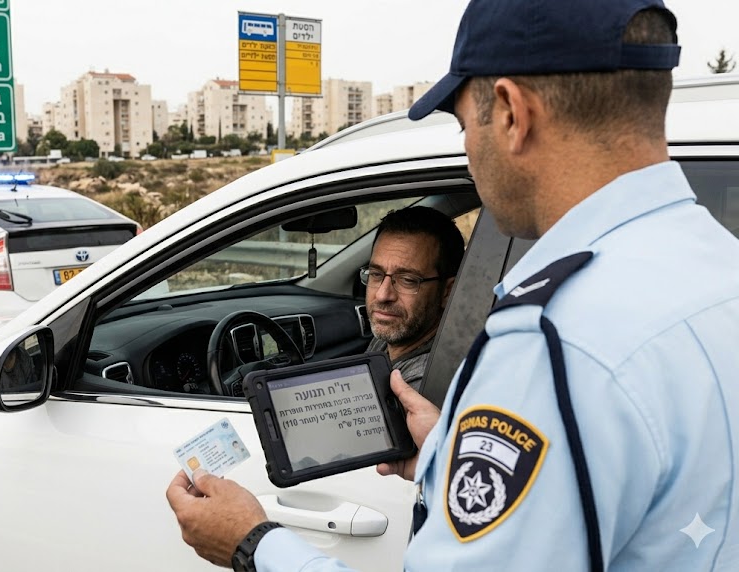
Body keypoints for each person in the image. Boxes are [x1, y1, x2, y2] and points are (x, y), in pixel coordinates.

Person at [166, 1, 739, 570]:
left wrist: (253, 543)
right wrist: (446, 452)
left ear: (512, 113)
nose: (467, 152)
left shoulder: (551, 344)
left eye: (465, 125)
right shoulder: (719, 265)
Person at [362, 207, 464, 392]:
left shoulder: (427, 382)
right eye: (376, 274)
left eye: (407, 280)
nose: (383, 295)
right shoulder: (394, 336)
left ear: (448, 291)